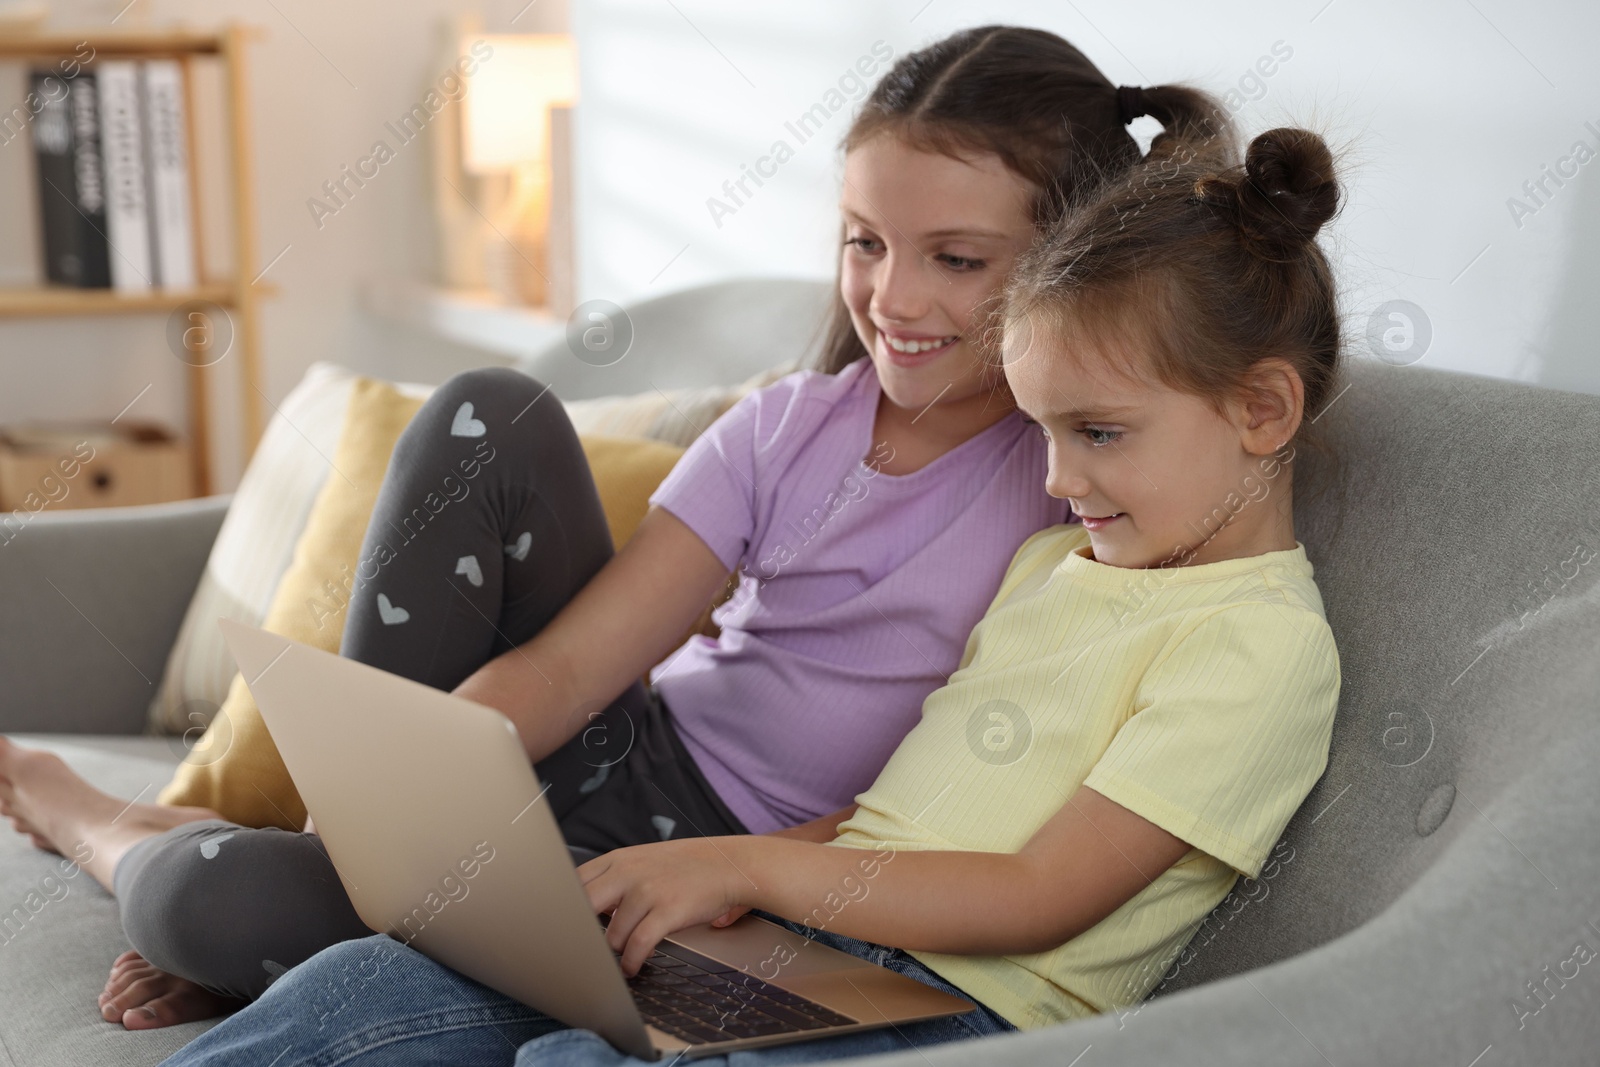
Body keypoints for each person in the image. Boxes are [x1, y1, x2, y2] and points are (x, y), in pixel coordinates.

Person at [0, 26, 1220, 1031]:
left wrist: (742, 879)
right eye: (863, 242)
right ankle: (299, 845)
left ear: (1069, 255)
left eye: (955, 258)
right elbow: (578, 664)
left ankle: (91, 816)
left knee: (203, 913)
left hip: (742, 870)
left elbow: (982, 792)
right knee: (488, 415)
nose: (892, 298)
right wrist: (386, 818)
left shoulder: (1076, 483)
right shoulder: (786, 427)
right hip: (611, 757)